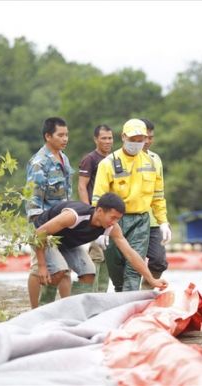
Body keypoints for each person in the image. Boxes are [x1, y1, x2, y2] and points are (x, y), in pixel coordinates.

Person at [34, 193, 168, 306]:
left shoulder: (112, 227)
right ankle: (43, 309)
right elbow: (39, 233)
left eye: (118, 219)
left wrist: (151, 279)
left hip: (67, 243)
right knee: (59, 270)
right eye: (113, 217)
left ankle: (73, 310)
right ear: (99, 211)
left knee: (89, 273)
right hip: (46, 238)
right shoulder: (74, 216)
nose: (114, 222)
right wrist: (42, 266)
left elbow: (130, 253)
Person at [92, 119, 172, 292]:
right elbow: (98, 199)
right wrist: (100, 229)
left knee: (133, 268)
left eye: (140, 140)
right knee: (116, 269)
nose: (136, 144)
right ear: (123, 137)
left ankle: (132, 304)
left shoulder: (151, 162)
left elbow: (158, 196)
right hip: (114, 221)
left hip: (140, 221)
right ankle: (122, 297)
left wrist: (163, 222)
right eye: (132, 139)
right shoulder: (108, 163)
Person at [25, 117, 73, 308]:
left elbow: (67, 194)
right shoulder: (39, 163)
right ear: (48, 136)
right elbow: (33, 202)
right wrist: (39, 236)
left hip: (62, 224)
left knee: (64, 270)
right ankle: (35, 310)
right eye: (60, 135)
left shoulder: (64, 158)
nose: (65, 139)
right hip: (43, 225)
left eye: (66, 134)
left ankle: (67, 310)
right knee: (40, 269)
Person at [78, 124, 114, 292]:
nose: (107, 141)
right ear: (95, 139)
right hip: (97, 214)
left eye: (110, 138)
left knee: (108, 256)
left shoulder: (115, 158)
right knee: (97, 255)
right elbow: (82, 186)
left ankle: (102, 294)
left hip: (112, 216)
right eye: (104, 138)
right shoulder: (90, 159)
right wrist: (89, 211)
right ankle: (90, 294)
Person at [139, 118, 169, 290]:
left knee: (159, 261)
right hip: (131, 218)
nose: (148, 141)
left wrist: (163, 220)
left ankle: (147, 290)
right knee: (131, 264)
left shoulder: (155, 159)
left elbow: (159, 193)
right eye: (145, 137)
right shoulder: (121, 159)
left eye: (151, 137)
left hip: (153, 220)